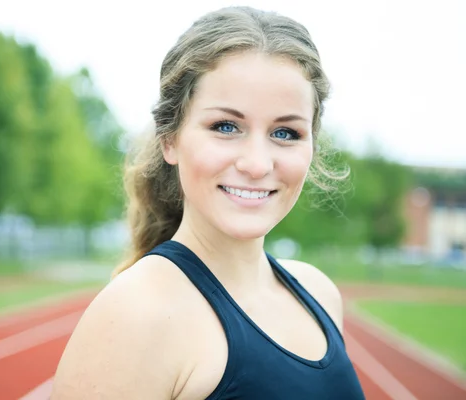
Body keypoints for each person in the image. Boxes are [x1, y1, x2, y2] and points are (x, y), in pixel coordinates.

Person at [51, 6, 365, 399]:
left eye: (285, 132)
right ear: (170, 139)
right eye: (226, 127)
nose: (256, 164)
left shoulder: (319, 293)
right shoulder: (136, 314)